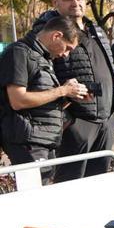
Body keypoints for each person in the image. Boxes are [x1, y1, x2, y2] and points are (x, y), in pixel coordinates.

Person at [31, 0, 114, 181]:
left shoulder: (96, 29)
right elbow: (37, 79)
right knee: (69, 184)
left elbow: (108, 69)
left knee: (99, 182)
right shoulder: (46, 33)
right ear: (55, 2)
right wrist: (67, 120)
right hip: (76, 123)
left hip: (106, 121)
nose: (75, 3)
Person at [0, 16, 85, 176]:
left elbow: (43, 103)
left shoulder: (42, 58)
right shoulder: (19, 53)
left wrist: (69, 97)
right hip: (28, 140)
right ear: (56, 36)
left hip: (43, 139)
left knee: (43, 192)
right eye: (67, 48)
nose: (66, 55)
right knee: (35, 196)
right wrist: (62, 91)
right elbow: (18, 100)